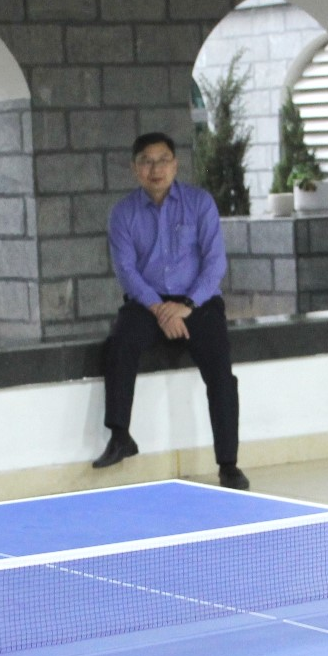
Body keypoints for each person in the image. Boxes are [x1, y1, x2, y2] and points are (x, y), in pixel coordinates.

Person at [94, 131, 248, 490]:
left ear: (175, 165)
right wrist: (160, 309)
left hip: (198, 303)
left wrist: (186, 306)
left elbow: (215, 263)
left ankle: (228, 464)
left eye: (163, 160)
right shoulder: (123, 213)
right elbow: (126, 271)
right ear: (135, 169)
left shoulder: (200, 203)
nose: (155, 169)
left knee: (221, 374)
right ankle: (120, 435)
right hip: (148, 303)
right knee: (119, 344)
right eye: (146, 162)